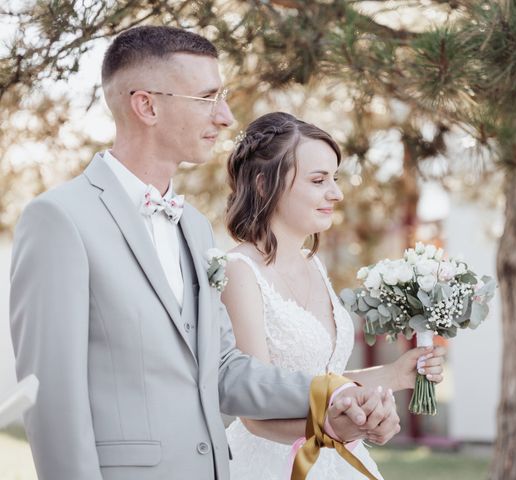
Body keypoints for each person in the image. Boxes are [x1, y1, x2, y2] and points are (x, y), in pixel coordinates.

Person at [9, 26, 400, 480]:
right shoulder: (60, 219)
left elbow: (225, 370)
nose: (226, 117)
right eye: (208, 97)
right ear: (147, 105)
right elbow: (54, 400)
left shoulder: (194, 227)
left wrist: (334, 393)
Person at [221, 112, 446, 479]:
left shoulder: (314, 264)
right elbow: (253, 414)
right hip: (272, 466)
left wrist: (393, 375)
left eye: (335, 179)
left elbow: (323, 379)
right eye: (318, 180)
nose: (336, 193)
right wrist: (332, 428)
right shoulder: (238, 272)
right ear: (264, 185)